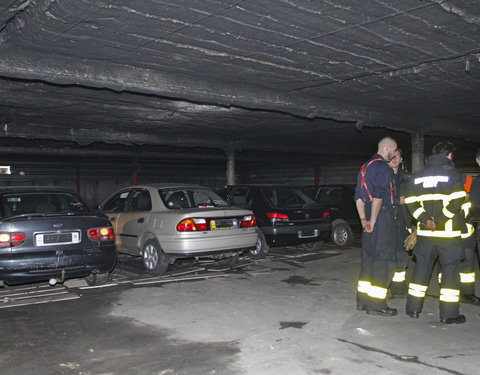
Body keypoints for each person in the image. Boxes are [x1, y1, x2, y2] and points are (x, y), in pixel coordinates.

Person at [404, 141, 466, 324]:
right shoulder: (453, 174)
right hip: (448, 236)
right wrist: (437, 221)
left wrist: (424, 220)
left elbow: (410, 203)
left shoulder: (417, 176)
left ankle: (413, 309)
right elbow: (456, 203)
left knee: (421, 270)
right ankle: (449, 314)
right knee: (450, 274)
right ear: (449, 155)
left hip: (425, 236)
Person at [354, 136, 398, 316]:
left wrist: (363, 220)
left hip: (368, 218)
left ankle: (363, 301)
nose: (394, 154)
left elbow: (358, 196)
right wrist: (372, 220)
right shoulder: (383, 167)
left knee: (369, 260)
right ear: (387, 148)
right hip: (382, 217)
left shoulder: (365, 167)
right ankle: (377, 305)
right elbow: (379, 196)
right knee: (384, 262)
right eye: (394, 150)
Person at [388, 149, 410, 297]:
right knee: (386, 258)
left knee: (401, 257)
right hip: (386, 223)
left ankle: (398, 289)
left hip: (402, 223)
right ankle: (382, 288)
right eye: (392, 157)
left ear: (401, 159)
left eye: (398, 157)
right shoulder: (382, 177)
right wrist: (397, 201)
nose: (395, 159)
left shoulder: (406, 180)